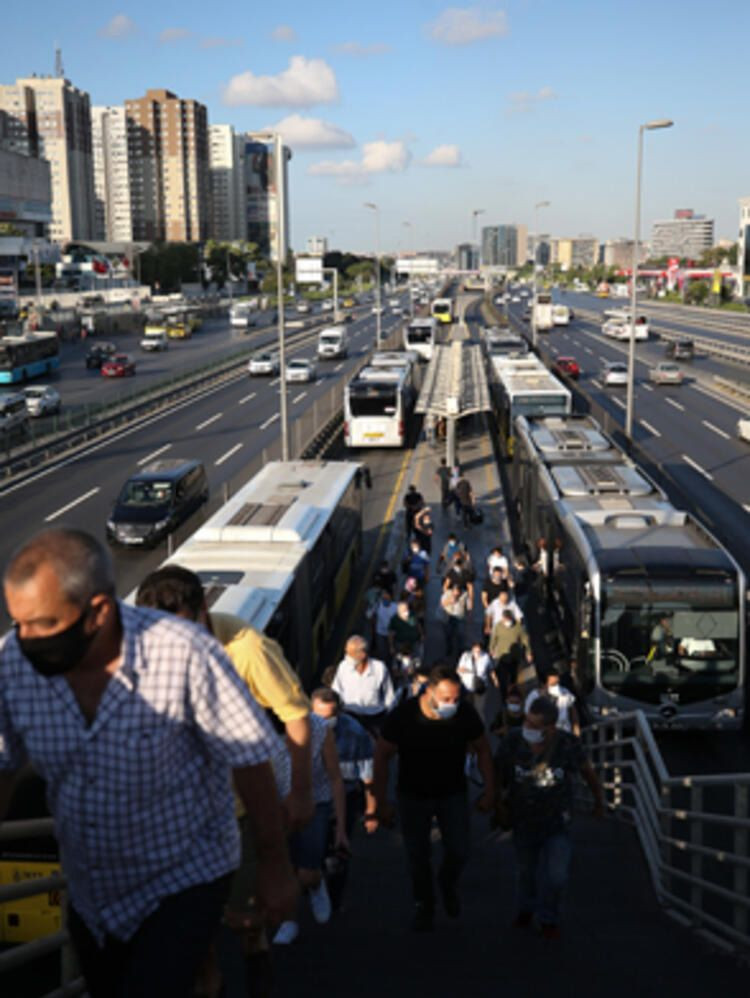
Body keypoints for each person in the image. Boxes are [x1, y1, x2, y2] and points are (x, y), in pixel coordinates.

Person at [0, 529, 296, 998]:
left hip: (184, 877)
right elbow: (4, 765)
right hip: (92, 889)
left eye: (43, 625)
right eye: (19, 625)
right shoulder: (15, 664)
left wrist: (275, 863)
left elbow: (249, 757)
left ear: (98, 612)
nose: (25, 640)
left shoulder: (185, 654)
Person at [135, 565, 313, 993]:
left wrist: (301, 795)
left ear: (203, 613)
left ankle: (256, 951)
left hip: (238, 812)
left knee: (245, 917)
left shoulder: (245, 648)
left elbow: (297, 717)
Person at [372, 664, 494, 931]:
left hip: (452, 793)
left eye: (456, 698)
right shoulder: (403, 716)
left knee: (460, 849)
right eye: (446, 699)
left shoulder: (464, 714)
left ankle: (447, 882)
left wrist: (490, 791)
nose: (452, 704)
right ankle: (424, 904)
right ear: (428, 692)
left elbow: (483, 749)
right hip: (412, 795)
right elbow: (381, 756)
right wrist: (380, 802)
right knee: (417, 855)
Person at [495, 697, 604, 939]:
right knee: (526, 872)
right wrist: (496, 803)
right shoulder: (513, 740)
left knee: (557, 876)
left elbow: (587, 771)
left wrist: (599, 800)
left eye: (535, 725)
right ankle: (525, 908)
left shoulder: (567, 744)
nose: (528, 728)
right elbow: (497, 771)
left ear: (551, 728)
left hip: (557, 821)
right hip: (522, 819)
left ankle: (549, 917)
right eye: (526, 721)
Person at [271, 712, 348, 945]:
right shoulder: (253, 723)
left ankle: (315, 882)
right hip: (275, 805)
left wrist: (341, 828)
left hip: (316, 803)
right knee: (283, 868)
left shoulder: (319, 727)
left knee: (306, 872)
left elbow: (335, 777)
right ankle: (289, 921)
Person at [311, 688, 375, 910]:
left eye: (330, 717)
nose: (324, 723)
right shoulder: (301, 730)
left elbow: (368, 776)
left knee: (338, 850)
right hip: (313, 799)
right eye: (319, 717)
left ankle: (333, 898)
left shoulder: (354, 733)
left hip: (346, 796)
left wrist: (371, 811)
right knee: (312, 849)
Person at [331, 636, 396, 736]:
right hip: (350, 714)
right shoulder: (343, 666)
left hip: (374, 717)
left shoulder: (379, 668)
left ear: (363, 654)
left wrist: (389, 717)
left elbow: (389, 695)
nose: (347, 657)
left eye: (350, 654)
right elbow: (336, 690)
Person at [489, 610, 533, 699]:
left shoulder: (518, 627)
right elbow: (494, 638)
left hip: (515, 658)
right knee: (502, 679)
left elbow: (525, 639)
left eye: (510, 619)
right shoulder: (498, 627)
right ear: (503, 619)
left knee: (513, 679)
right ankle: (504, 697)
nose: (508, 621)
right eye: (506, 619)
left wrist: (529, 652)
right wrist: (491, 649)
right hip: (502, 657)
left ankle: (512, 695)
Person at [526, 667, 581, 736]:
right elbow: (529, 717)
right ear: (544, 684)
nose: (556, 687)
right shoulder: (534, 696)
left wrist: (576, 733)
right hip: (544, 735)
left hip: (564, 731)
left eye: (557, 683)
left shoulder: (565, 692)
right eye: (553, 684)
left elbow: (574, 715)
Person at [456, 641, 493, 719]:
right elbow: (459, 670)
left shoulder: (485, 657)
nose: (477, 653)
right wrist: (470, 671)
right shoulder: (466, 656)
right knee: (467, 708)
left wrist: (495, 680)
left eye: (479, 651)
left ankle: (480, 727)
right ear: (472, 650)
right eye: (475, 651)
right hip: (467, 687)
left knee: (479, 709)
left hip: (481, 686)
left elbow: (490, 669)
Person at [388, 600, 422, 680]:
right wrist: (391, 646)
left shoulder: (412, 615)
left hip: (414, 642)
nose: (407, 612)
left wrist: (421, 634)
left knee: (416, 660)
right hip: (401, 644)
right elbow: (391, 634)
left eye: (407, 609)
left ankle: (414, 673)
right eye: (404, 610)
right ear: (399, 611)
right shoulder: (394, 620)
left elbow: (417, 624)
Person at [440, 584, 470, 662]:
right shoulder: (447, 594)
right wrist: (450, 601)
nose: (457, 594)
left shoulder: (465, 595)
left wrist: (468, 617)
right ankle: (448, 650)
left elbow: (468, 607)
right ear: (452, 591)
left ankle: (459, 653)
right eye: (455, 592)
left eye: (458, 592)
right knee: (448, 634)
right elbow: (442, 604)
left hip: (460, 617)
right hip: (448, 617)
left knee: (460, 635)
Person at [370, 588, 398, 665]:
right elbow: (372, 616)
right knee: (383, 653)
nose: (385, 600)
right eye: (383, 598)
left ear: (391, 598)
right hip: (380, 633)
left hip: (392, 634)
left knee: (392, 651)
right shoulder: (378, 605)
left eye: (386, 598)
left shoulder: (395, 608)